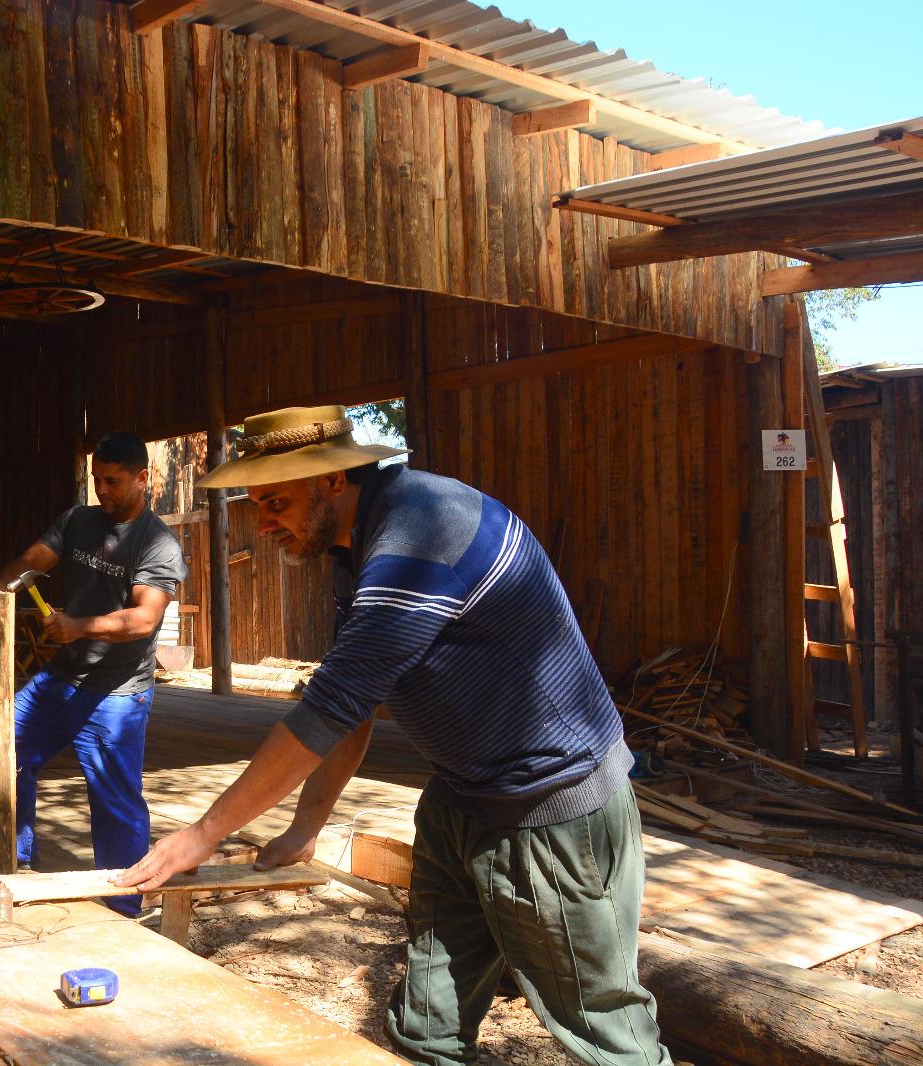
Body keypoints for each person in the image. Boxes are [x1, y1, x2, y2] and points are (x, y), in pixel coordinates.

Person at [116, 405, 669, 1066]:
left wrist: (202, 834)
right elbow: (354, 700)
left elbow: (326, 711)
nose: (262, 524)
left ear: (332, 483)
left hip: (548, 812)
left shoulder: (422, 535)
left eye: (275, 502)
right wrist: (305, 825)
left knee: (605, 1035)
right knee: (425, 1028)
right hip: (463, 801)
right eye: (256, 503)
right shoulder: (365, 543)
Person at [0, 431, 186, 910]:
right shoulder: (78, 521)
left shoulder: (158, 543)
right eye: (97, 480)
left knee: (115, 802)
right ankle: (15, 862)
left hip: (117, 693)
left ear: (144, 479)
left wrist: (79, 626)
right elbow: (30, 561)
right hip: (60, 679)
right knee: (2, 752)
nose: (102, 491)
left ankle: (126, 906)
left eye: (114, 482)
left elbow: (143, 621)